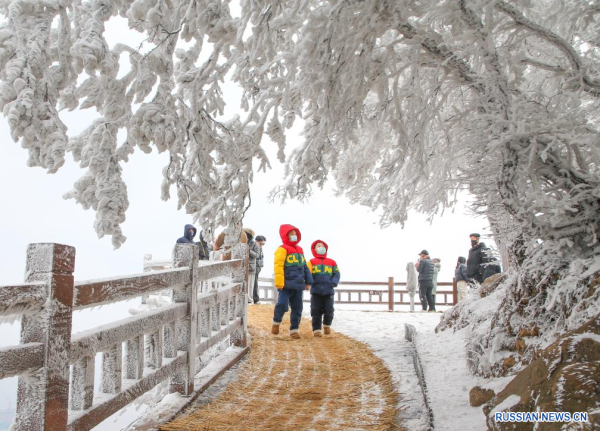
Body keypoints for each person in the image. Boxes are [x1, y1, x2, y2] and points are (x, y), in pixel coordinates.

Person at [272, 224, 314, 339]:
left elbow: (304, 266)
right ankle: (276, 321)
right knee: (282, 304)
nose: (294, 236)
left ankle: (294, 330)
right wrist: (280, 283)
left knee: (297, 308)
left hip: (298, 285)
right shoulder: (282, 249)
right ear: (285, 236)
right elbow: (278, 266)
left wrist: (308, 281)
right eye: (291, 234)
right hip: (286, 284)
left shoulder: (300, 249)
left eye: (295, 234)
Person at [307, 239, 340, 337]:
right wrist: (308, 282)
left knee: (329, 310)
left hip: (329, 291)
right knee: (315, 311)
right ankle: (317, 330)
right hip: (315, 292)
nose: (321, 247)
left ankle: (326, 325)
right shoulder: (311, 262)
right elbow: (308, 273)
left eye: (323, 246)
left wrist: (334, 282)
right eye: (318, 246)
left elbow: (336, 273)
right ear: (314, 249)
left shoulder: (332, 262)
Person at [243, 228, 260, 304]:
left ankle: (250, 301)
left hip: (250, 268)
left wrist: (249, 250)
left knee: (250, 286)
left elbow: (257, 255)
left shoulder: (254, 244)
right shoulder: (241, 242)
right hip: (241, 268)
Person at [253, 235, 266, 303]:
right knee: (254, 284)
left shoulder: (260, 248)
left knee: (256, 283)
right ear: (256, 241)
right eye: (260, 243)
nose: (261, 245)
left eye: (263, 244)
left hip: (258, 268)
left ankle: (255, 298)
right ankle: (255, 299)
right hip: (254, 268)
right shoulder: (255, 247)